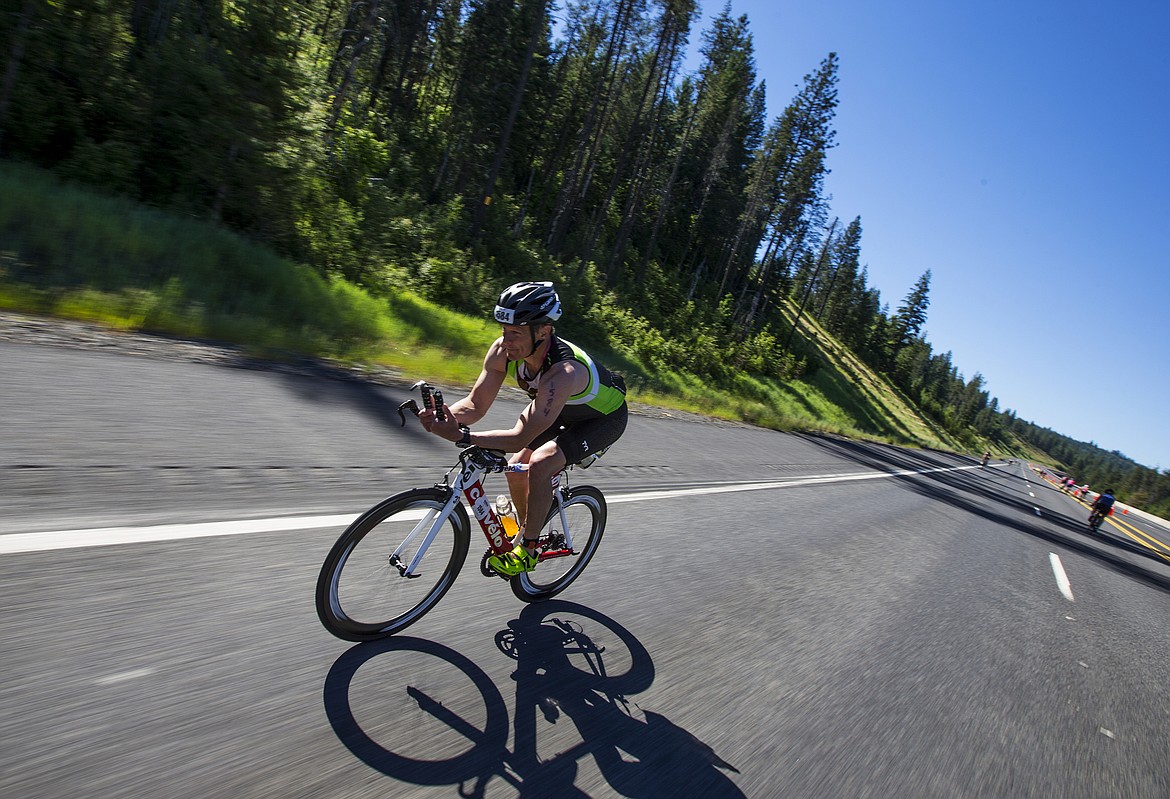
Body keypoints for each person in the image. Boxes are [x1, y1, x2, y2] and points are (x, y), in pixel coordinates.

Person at [414, 281, 628, 576]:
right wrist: (445, 416)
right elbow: (475, 405)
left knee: (540, 463)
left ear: (544, 330)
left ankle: (528, 549)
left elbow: (519, 438)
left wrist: (463, 435)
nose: (507, 340)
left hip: (601, 419)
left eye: (515, 332)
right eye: (504, 330)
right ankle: (527, 530)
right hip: (555, 410)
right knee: (516, 469)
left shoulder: (563, 372)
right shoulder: (504, 351)